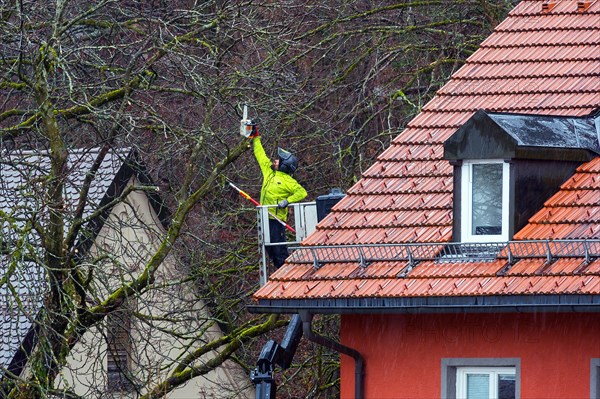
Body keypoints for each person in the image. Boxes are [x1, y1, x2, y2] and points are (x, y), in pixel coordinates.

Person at [250, 131, 307, 269]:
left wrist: (287, 201)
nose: (275, 161)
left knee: (279, 252)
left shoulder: (289, 181)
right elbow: (260, 154)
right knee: (269, 248)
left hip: (276, 220)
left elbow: (302, 192)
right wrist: (256, 136)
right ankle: (280, 274)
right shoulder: (269, 172)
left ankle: (286, 273)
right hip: (264, 217)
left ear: (283, 166)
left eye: (278, 160)